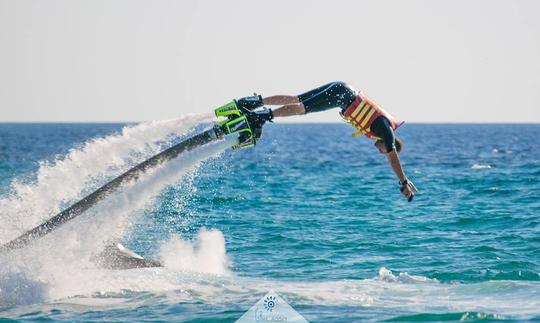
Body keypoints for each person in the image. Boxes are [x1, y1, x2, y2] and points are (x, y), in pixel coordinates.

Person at [236, 81, 418, 201]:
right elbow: (393, 159)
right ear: (389, 146)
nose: (381, 152)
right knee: (302, 108)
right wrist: (403, 181)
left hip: (342, 91)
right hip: (343, 95)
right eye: (384, 151)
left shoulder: (381, 131)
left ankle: (254, 102)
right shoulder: (386, 131)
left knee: (298, 100)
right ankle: (260, 116)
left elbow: (391, 156)